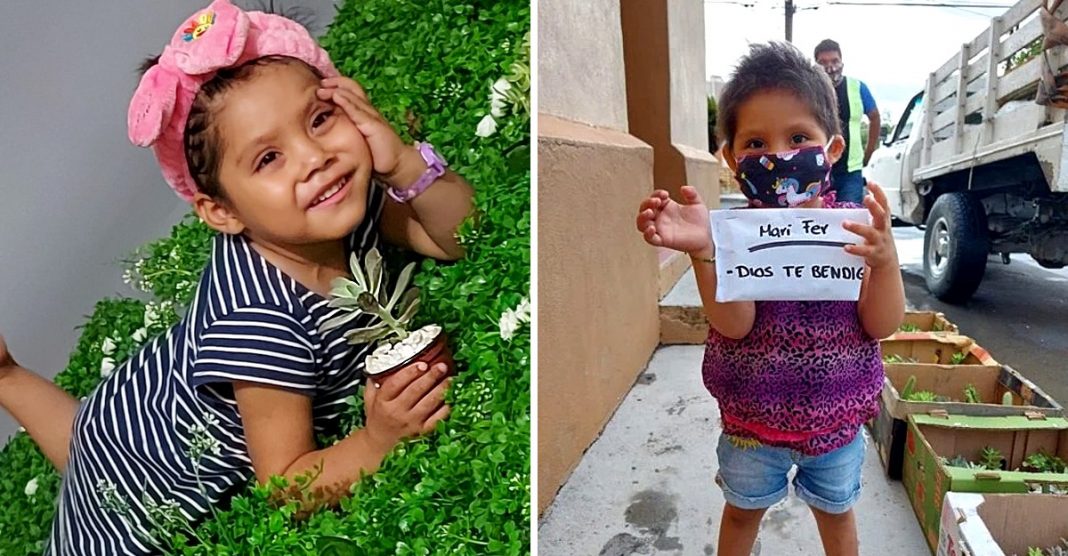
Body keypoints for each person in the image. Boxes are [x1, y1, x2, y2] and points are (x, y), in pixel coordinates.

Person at [0, 1, 474, 553]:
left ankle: (6, 374)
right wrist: (376, 441)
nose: (314, 157)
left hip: (140, 398)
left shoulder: (338, 204)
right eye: (268, 158)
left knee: (91, 437)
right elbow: (286, 484)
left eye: (320, 119)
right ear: (223, 213)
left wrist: (404, 165)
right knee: (104, 485)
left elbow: (456, 235)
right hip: (151, 468)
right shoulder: (260, 321)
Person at [635, 42, 904, 556]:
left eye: (798, 137)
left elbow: (881, 324)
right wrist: (704, 253)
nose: (777, 155)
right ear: (732, 159)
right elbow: (734, 325)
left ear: (833, 150)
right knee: (740, 514)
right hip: (750, 429)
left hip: (838, 422)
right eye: (755, 142)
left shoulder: (853, 227)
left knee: (837, 518)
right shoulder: (736, 235)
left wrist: (885, 262)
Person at [814, 39, 881, 204]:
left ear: (842, 61)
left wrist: (869, 152)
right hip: (816, 169)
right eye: (823, 62)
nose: (830, 67)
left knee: (848, 220)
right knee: (816, 220)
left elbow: (875, 117)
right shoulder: (810, 90)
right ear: (815, 65)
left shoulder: (857, 88)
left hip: (850, 171)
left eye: (835, 61)